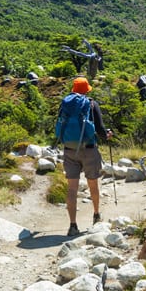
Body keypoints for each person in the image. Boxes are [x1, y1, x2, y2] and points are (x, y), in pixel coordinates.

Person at [61, 77, 113, 236]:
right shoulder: (91, 104)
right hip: (89, 149)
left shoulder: (65, 104)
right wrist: (107, 135)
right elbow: (100, 128)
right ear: (87, 90)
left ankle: (72, 225)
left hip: (69, 149)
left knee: (72, 188)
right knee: (93, 184)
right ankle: (96, 215)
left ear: (73, 89)